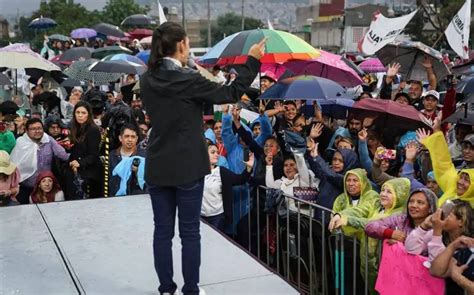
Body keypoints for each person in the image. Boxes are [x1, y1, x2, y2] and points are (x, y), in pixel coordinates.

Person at [139, 22, 264, 295]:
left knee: (162, 232)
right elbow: (229, 93)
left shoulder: (146, 79)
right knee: (189, 233)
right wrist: (252, 59)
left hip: (158, 165)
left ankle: (165, 289)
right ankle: (191, 291)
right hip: (188, 166)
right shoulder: (188, 80)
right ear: (182, 45)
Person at [10, 118, 69, 204]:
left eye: (39, 128)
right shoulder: (21, 143)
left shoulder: (48, 140)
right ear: (26, 131)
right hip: (25, 188)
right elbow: (13, 165)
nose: (37, 131)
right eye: (33, 129)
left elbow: (63, 155)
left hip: (45, 189)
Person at [201, 143, 254, 231]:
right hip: (200, 217)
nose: (216, 155)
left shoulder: (222, 171)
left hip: (217, 217)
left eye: (217, 152)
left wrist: (248, 168)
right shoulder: (197, 172)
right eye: (213, 152)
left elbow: (240, 179)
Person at [65, 101, 102, 200]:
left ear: (88, 115)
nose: (80, 115)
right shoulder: (73, 128)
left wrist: (80, 163)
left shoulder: (93, 130)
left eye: (83, 113)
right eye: (78, 112)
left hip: (89, 169)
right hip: (75, 166)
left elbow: (94, 155)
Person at [109, 124, 146, 197]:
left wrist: (138, 172)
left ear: (136, 139)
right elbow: (109, 178)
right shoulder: (113, 155)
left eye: (133, 137)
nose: (130, 139)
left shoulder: (143, 156)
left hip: (136, 198)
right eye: (126, 136)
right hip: (115, 198)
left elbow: (147, 182)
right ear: (120, 138)